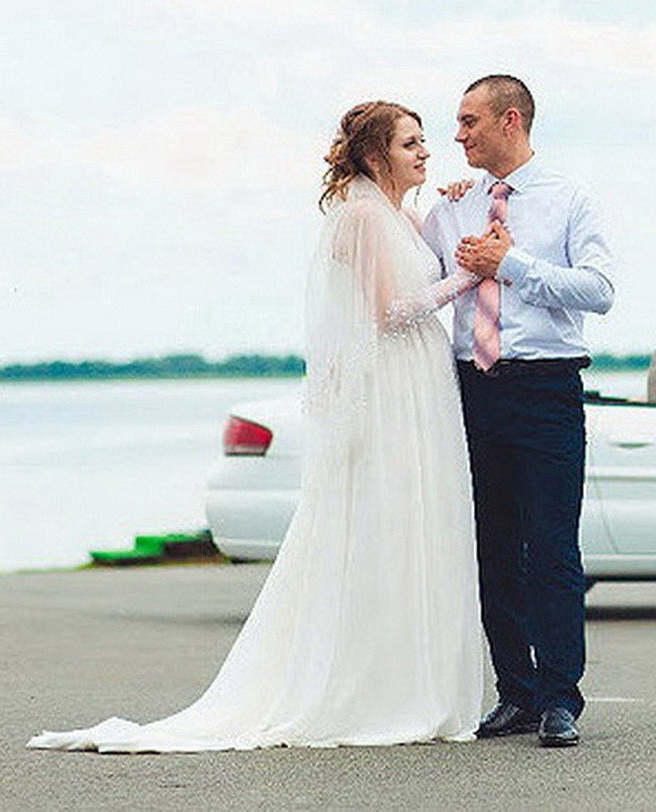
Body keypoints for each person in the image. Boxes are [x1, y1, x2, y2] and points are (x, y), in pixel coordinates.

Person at [29, 101, 487, 752]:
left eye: (423, 141)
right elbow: (391, 310)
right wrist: (466, 281)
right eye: (410, 143)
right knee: (381, 522)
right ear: (374, 154)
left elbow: (433, 249)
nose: (425, 152)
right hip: (390, 385)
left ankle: (410, 680)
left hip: (418, 383)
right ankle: (369, 689)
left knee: (414, 521)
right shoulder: (359, 216)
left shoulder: (400, 215)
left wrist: (457, 205)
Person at [422, 75, 614, 748]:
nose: (457, 135)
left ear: (510, 120)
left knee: (552, 549)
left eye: (468, 121)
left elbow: (599, 290)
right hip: (471, 390)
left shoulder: (570, 199)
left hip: (546, 390)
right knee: (492, 549)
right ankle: (517, 693)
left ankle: (561, 698)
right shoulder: (452, 209)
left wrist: (513, 264)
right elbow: (416, 283)